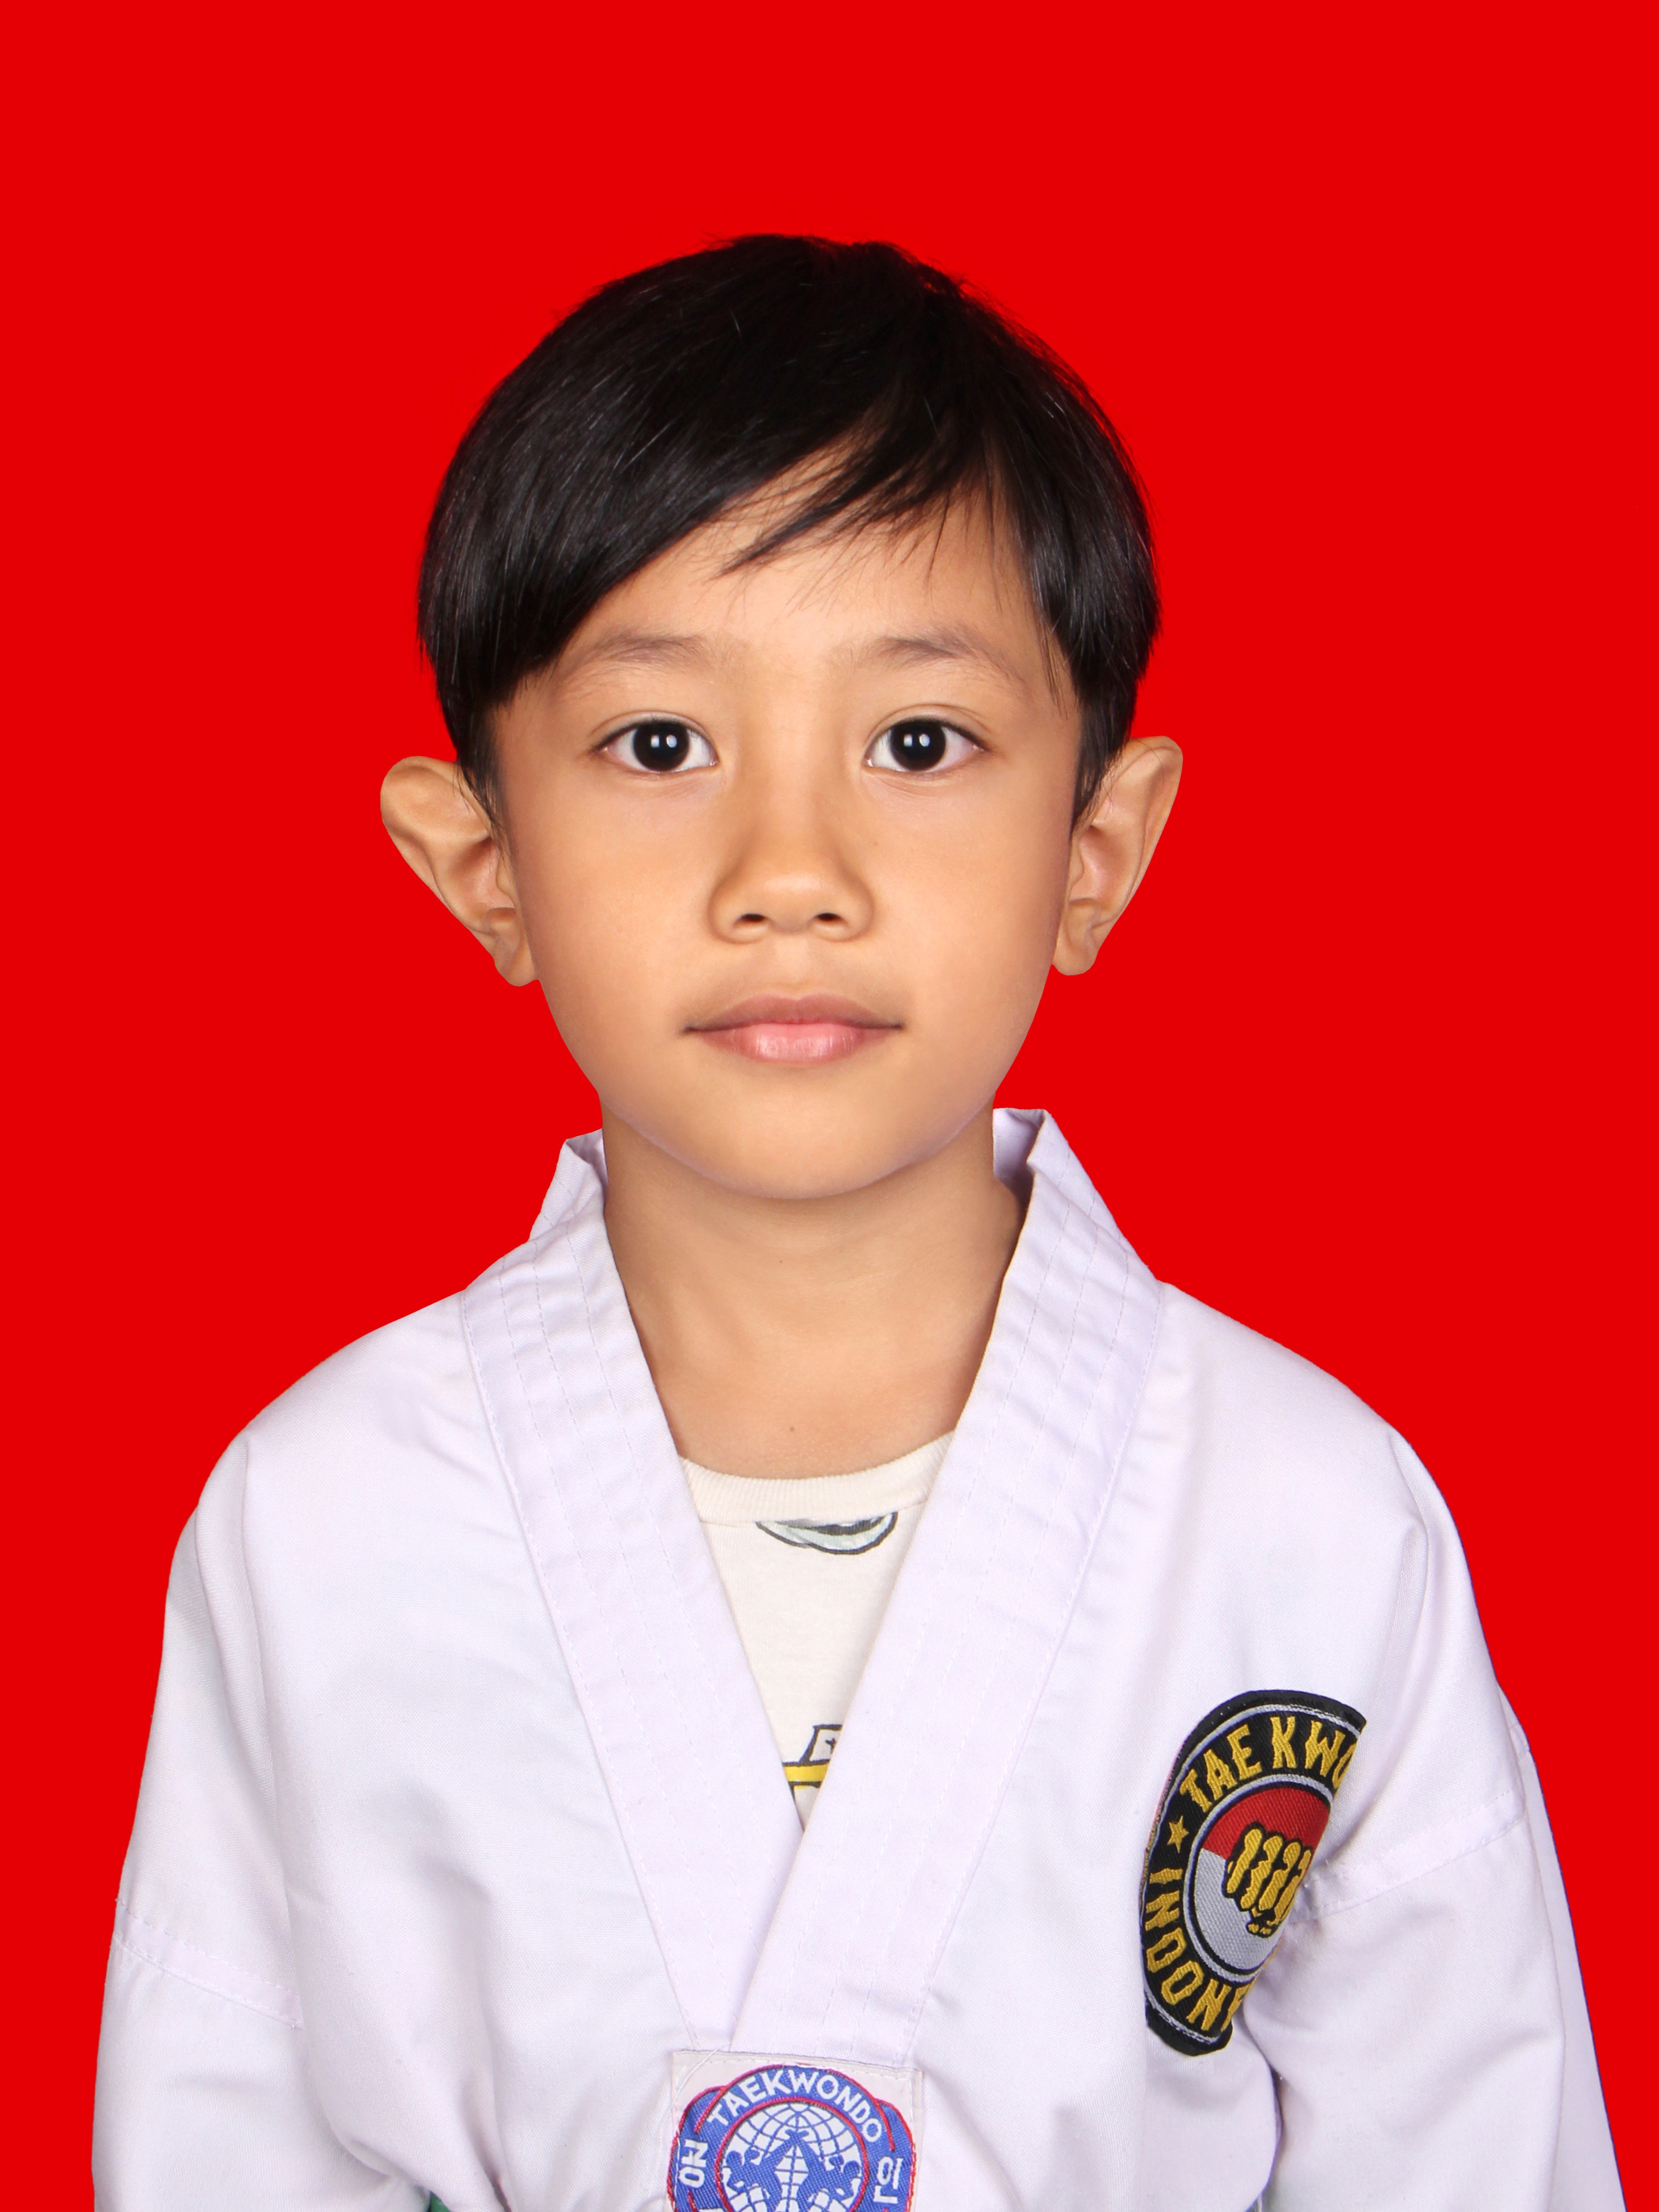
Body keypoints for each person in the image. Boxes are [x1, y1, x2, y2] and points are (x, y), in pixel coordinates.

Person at [90, 234, 1621, 2212]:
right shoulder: (320, 1525)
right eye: (661, 745)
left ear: (1098, 847)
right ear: (482, 864)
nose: (791, 870)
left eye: (918, 743)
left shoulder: (1307, 1518)